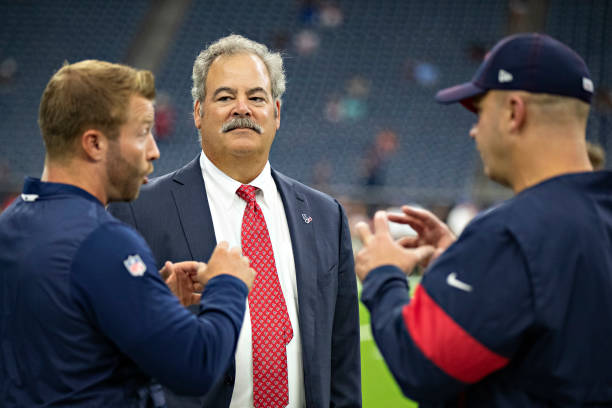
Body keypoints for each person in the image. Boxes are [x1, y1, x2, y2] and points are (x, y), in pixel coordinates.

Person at [354, 33, 612, 406]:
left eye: (479, 111)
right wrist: (463, 262)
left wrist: (383, 274)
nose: (474, 130)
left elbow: (419, 364)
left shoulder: (509, 234)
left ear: (513, 112)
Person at [109, 35, 361, 408]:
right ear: (198, 112)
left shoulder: (325, 216)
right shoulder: (137, 210)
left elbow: (342, 360)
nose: (242, 108)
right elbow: (114, 350)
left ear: (277, 112)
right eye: (225, 97)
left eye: (256, 98)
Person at [0, 60, 255, 407]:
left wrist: (148, 304)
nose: (154, 150)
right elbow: (196, 367)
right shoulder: (102, 241)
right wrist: (228, 285)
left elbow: (67, 347)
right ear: (94, 144)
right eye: (141, 132)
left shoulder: (13, 221)